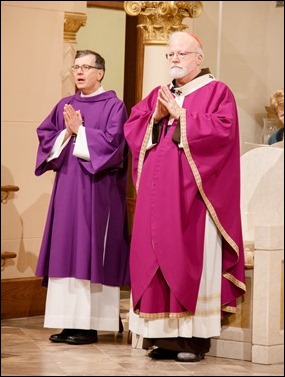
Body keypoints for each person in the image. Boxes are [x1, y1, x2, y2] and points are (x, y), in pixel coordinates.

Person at [124, 31, 246, 362]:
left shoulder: (217, 92)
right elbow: (133, 130)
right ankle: (159, 339)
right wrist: (158, 116)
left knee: (186, 258)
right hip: (155, 198)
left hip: (195, 199)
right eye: (170, 54)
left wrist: (183, 117)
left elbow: (224, 131)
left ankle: (191, 341)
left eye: (181, 53)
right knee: (153, 260)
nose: (175, 59)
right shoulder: (160, 94)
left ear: (199, 58)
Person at [35, 50, 130, 345]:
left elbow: (116, 146)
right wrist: (67, 134)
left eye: (86, 67)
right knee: (65, 248)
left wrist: (82, 132)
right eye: (76, 67)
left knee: (89, 249)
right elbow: (46, 136)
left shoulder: (114, 106)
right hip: (67, 188)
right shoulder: (65, 104)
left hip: (97, 191)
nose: (79, 72)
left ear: (100, 73)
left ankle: (89, 324)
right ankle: (67, 322)